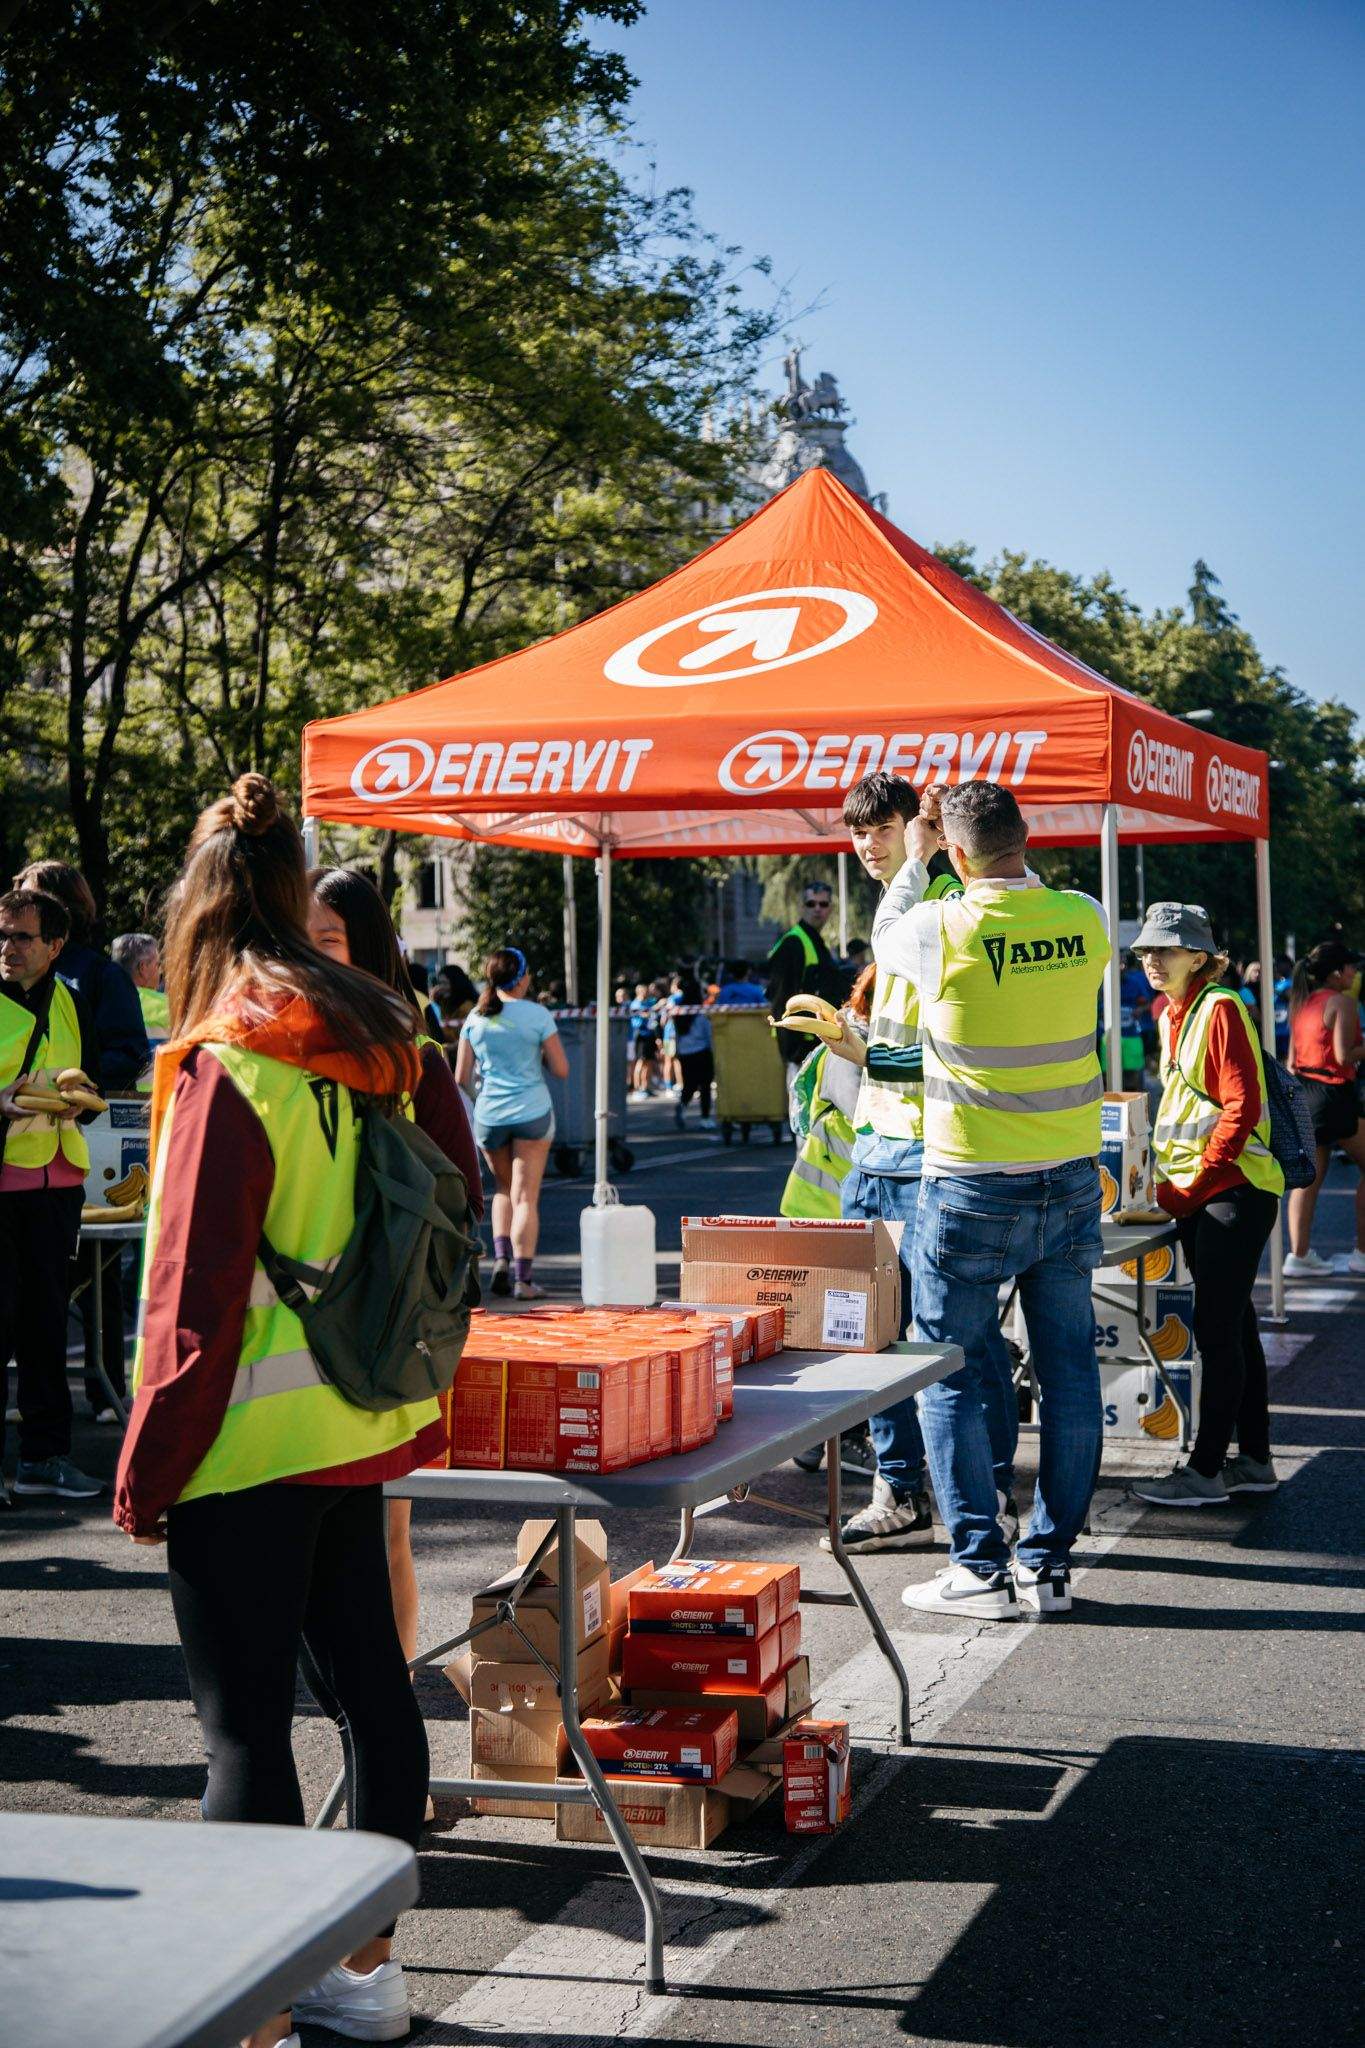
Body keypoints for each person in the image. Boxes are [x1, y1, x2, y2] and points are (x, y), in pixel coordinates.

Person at [113, 775, 438, 2048]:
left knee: (244, 1729)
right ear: (304, 896)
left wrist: (145, 1468)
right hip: (355, 1419)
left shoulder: (225, 1066)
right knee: (373, 1691)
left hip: (244, 1440)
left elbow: (190, 1305)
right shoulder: (376, 1038)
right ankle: (361, 1968)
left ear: (199, 907)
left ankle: (244, 2005)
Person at [873, 780, 1110, 1619]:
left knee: (945, 1369)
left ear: (958, 853)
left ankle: (978, 1568)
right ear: (1025, 836)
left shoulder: (941, 926)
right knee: (1069, 1375)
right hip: (1072, 1177)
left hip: (970, 1184)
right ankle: (1046, 1567)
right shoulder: (1082, 916)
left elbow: (883, 937)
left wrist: (916, 856)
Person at [815, 773, 1017, 1557]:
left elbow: (950, 1042)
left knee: (959, 1333)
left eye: (879, 827)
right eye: (854, 831)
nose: (865, 844)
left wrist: (865, 1049)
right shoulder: (899, 896)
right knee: (875, 1329)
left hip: (933, 1146)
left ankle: (989, 1488)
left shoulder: (943, 898)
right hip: (878, 1138)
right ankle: (898, 1489)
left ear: (923, 829)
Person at [308, 866, 485, 1663]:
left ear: (369, 947)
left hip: (389, 1332)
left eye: (328, 940)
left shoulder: (415, 1053)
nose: (309, 958)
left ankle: (388, 1712)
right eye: (297, 939)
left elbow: (463, 1202)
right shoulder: (271, 1050)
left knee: (385, 1535)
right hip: (296, 1336)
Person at [1129, 903, 1287, 1505]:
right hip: (1212, 1194)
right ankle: (1254, 1459)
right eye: (1146, 950)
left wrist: (1189, 1191)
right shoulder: (1179, 1011)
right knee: (1235, 1328)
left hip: (1229, 1193)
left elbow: (1241, 1109)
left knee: (1219, 1334)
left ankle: (1205, 1471)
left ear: (1199, 956)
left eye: (1164, 950)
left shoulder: (1218, 1007)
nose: (1151, 960)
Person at [14, 860, 150, 1419]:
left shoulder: (96, 976)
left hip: (81, 1152)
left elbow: (128, 1051)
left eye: (26, 901)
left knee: (92, 1282)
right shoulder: (10, 976)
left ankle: (101, 1391)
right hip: (16, 1161)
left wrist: (80, 1082)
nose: (12, 922)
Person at [0, 888, 104, 1505]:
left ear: (55, 946)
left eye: (22, 937)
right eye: (4, 935)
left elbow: (89, 1075)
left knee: (45, 1326)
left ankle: (45, 1459)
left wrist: (80, 1099)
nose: (8, 947)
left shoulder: (72, 1000)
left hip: (58, 1182)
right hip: (5, 1184)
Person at [455, 947, 568, 1299]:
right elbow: (562, 1068)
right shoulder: (537, 1015)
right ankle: (523, 1280)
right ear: (522, 978)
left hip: (490, 1116)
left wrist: (481, 1097)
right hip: (532, 1111)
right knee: (526, 1198)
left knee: (502, 1190)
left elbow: (461, 1077)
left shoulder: (475, 1017)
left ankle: (500, 1260)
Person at [1284, 939, 1365, 1278]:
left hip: (1305, 1092)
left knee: (1308, 1181)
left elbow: (1290, 1061)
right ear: (1336, 972)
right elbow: (1345, 1055)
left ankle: (1299, 1256)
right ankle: (1362, 1253)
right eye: (1350, 966)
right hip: (1334, 1093)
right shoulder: (1341, 1003)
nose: (1355, 972)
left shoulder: (1301, 1002)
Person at [766, 878, 845, 1120]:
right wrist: (793, 1048)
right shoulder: (794, 942)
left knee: (815, 1119)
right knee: (805, 1123)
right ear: (802, 907)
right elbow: (782, 998)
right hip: (801, 1047)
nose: (818, 909)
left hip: (816, 1043)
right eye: (812, 903)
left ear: (830, 908)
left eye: (823, 904)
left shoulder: (815, 941)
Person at [112, 931, 170, 1087]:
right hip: (156, 1098)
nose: (161, 971)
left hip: (116, 1099)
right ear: (143, 968)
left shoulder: (106, 1002)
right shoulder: (166, 1006)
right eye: (157, 964)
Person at [669, 971, 715, 1129]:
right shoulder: (700, 1013)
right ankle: (705, 1117)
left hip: (685, 1052)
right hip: (702, 1052)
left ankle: (682, 1105)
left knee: (689, 1084)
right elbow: (708, 1034)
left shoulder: (680, 1011)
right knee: (705, 1085)